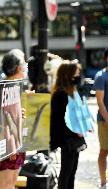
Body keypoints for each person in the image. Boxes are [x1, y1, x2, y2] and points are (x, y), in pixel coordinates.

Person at [50, 61, 86, 189]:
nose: (78, 75)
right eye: (75, 72)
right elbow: (59, 120)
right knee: (66, 172)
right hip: (67, 138)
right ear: (68, 74)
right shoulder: (61, 94)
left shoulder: (72, 91)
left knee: (72, 172)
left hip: (74, 137)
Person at [0, 49, 27, 189]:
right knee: (6, 181)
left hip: (15, 142)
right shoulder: (5, 87)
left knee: (12, 180)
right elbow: (1, 119)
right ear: (19, 67)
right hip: (9, 144)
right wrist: (11, 148)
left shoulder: (14, 86)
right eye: (24, 64)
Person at [93, 48, 108, 189]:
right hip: (104, 121)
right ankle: (104, 183)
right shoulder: (101, 76)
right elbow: (100, 101)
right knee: (104, 151)